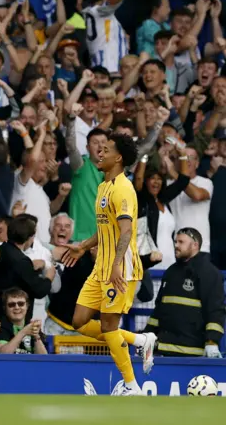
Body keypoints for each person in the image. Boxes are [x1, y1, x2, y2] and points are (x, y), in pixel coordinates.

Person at [63, 133, 156, 396]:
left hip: (121, 269)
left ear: (119, 158)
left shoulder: (123, 188)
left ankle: (131, 386)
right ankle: (140, 340)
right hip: (101, 268)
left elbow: (126, 232)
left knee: (108, 327)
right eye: (99, 149)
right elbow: (107, 228)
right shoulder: (104, 186)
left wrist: (116, 265)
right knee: (79, 321)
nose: (100, 153)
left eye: (106, 150)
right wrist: (84, 245)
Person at [145, 228, 225, 358]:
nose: (176, 245)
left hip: (193, 354)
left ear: (195, 245)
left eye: (181, 242)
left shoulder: (209, 273)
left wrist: (212, 342)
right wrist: (147, 335)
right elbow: (159, 310)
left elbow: (215, 311)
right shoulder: (171, 272)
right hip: (164, 351)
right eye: (175, 241)